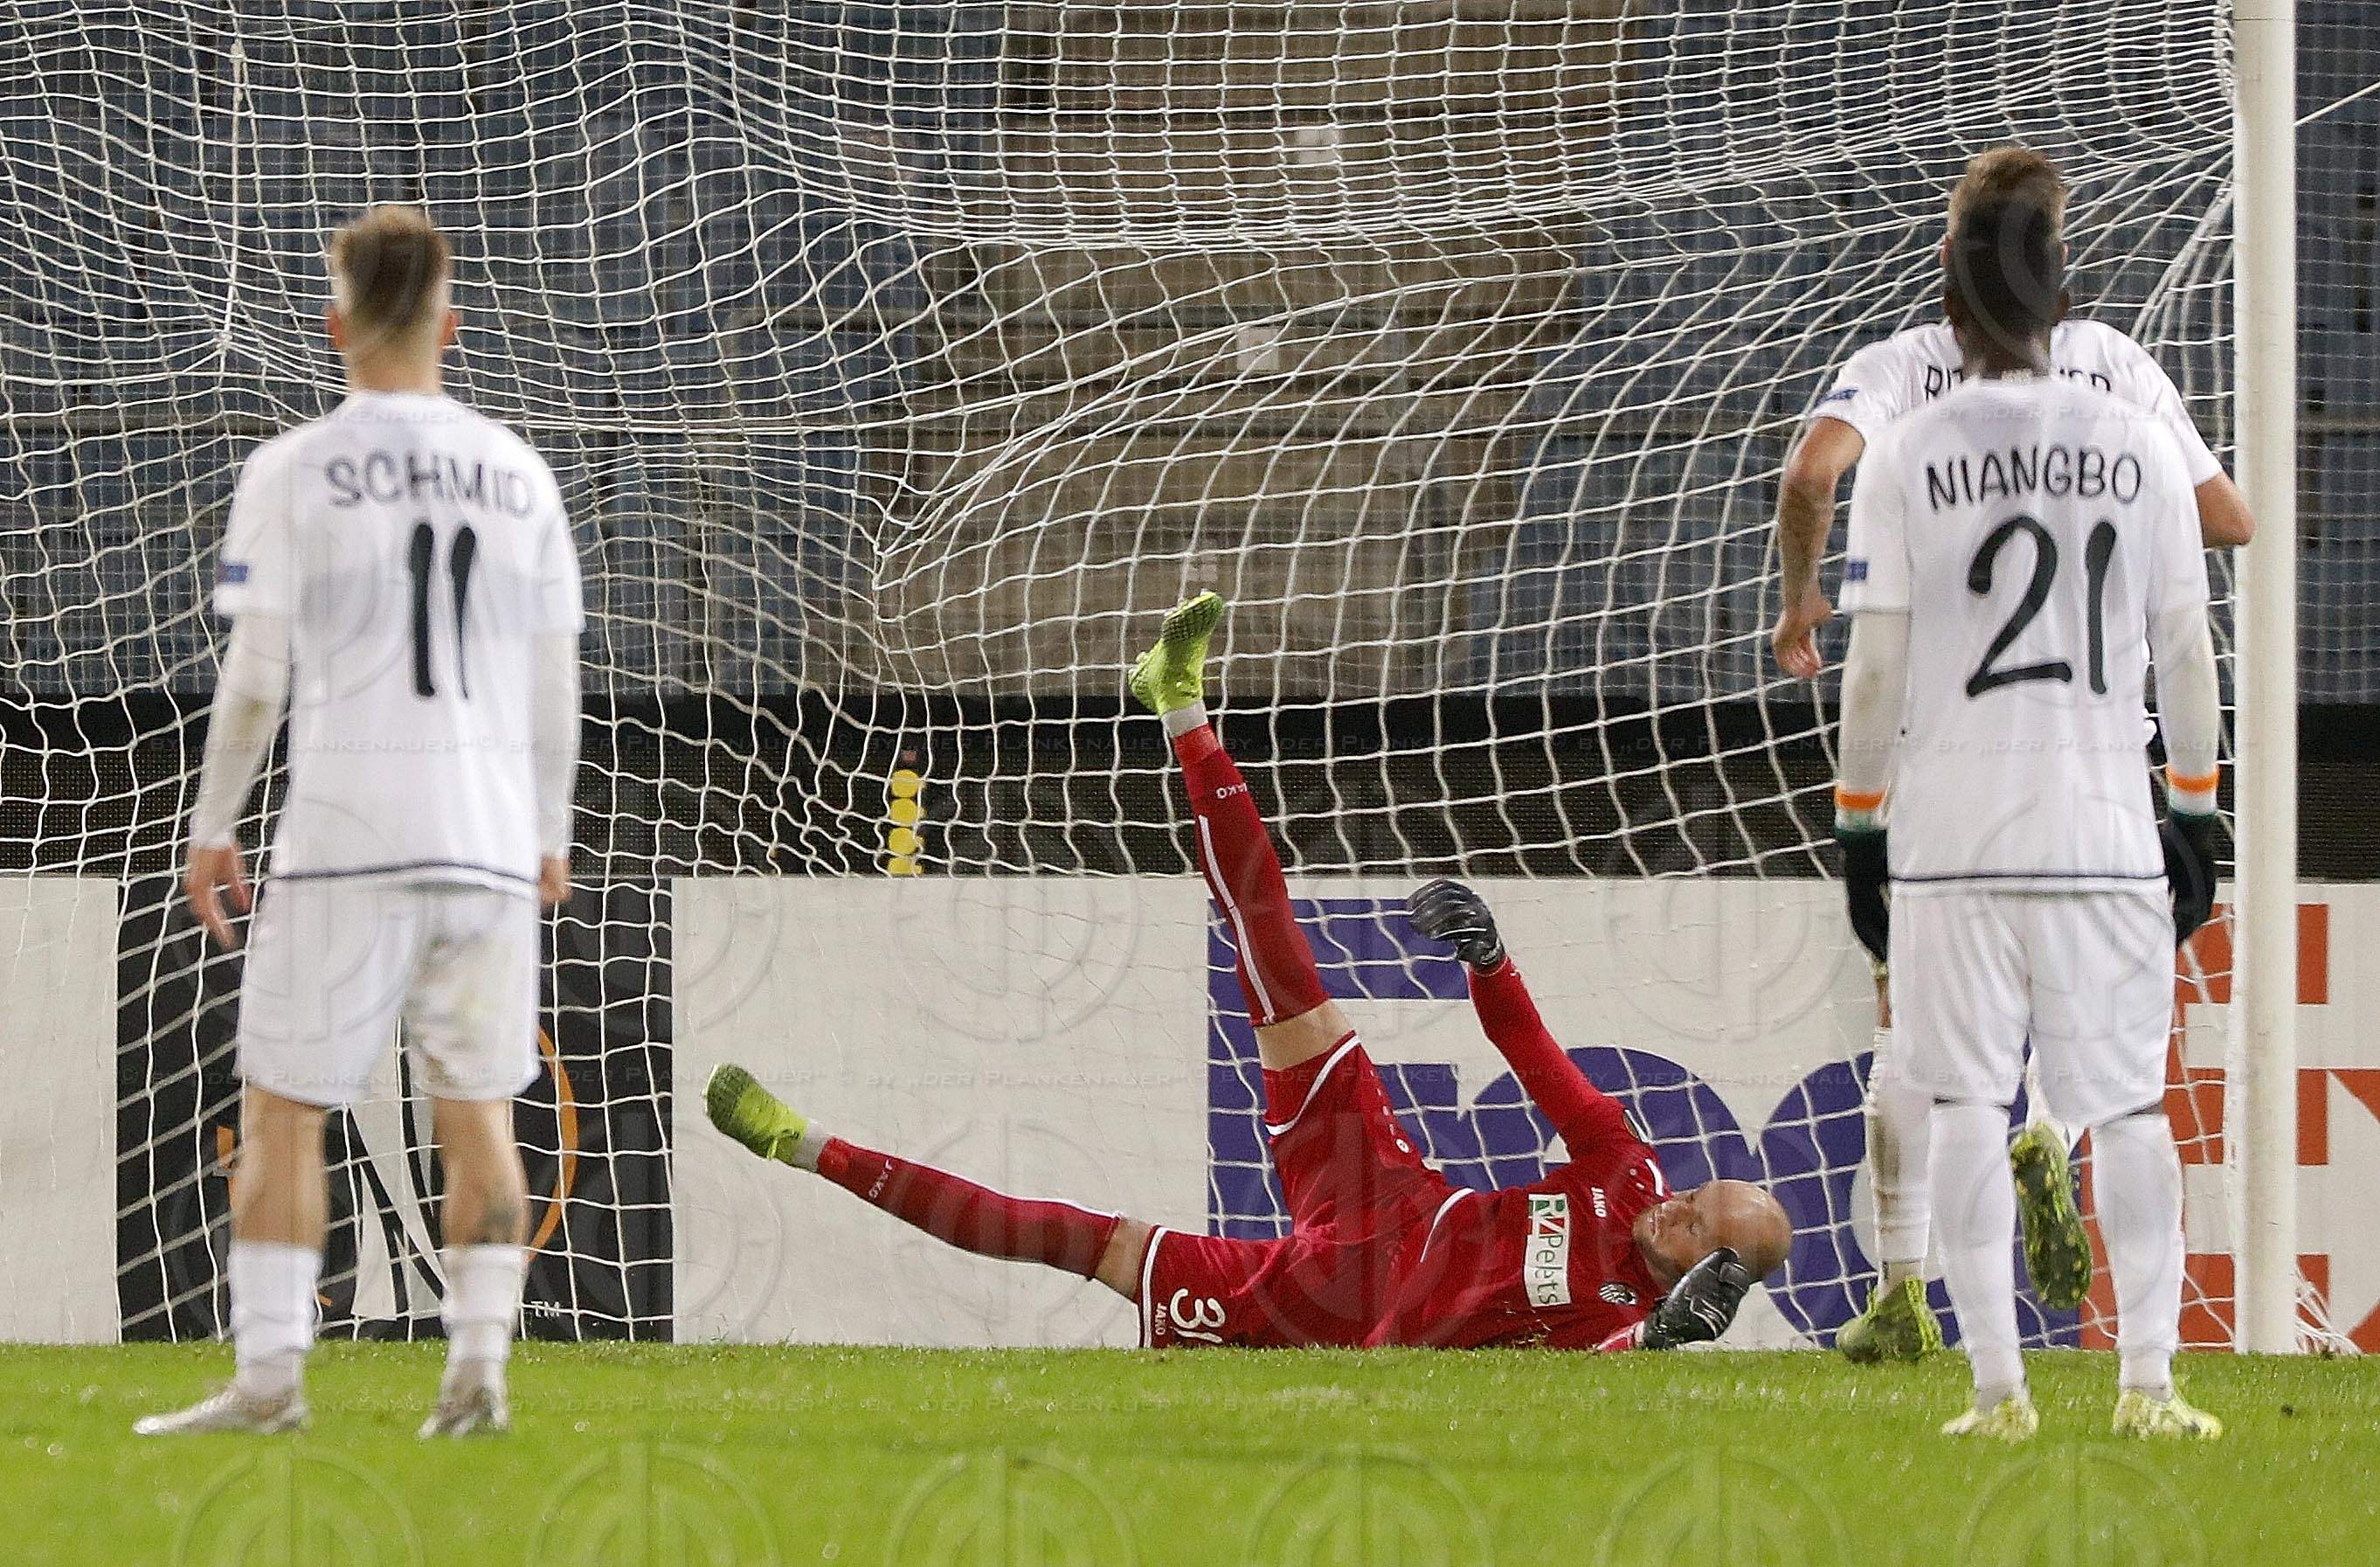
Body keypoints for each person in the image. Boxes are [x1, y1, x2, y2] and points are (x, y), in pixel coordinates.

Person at [706, 593, 1792, 1351]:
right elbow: (1536, 1057)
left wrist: (1659, 1332)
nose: (1678, 1210)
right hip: (1390, 1188)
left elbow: (1610, 1361)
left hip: (1324, 1310)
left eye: (1701, 1229)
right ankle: (1181, 705)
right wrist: (1492, 963)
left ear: (1715, 1282)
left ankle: (807, 1146)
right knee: (1275, 951)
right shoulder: (1630, 1173)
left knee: (1077, 1240)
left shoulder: (1616, 1327)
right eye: (1698, 1196)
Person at [1780, 146, 2247, 1361]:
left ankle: (1901, 1296)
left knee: (1912, 1034)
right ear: (2061, 272)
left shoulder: (1904, 384)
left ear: (1949, 269)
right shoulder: (2119, 381)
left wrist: (1798, 607)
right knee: (2082, 1008)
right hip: (2097, 765)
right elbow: (2229, 523)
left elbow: (1812, 474)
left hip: (1944, 760)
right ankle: (2054, 1128)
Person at [138, 206, 585, 1437]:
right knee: (478, 1114)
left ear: (335, 324)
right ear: (451, 319)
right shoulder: (522, 474)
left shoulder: (294, 468)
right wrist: (548, 830)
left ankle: (272, 1383)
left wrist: (213, 819)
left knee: (284, 1105)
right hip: (487, 841)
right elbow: (555, 679)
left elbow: (258, 671)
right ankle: (477, 1376)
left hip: (344, 835)